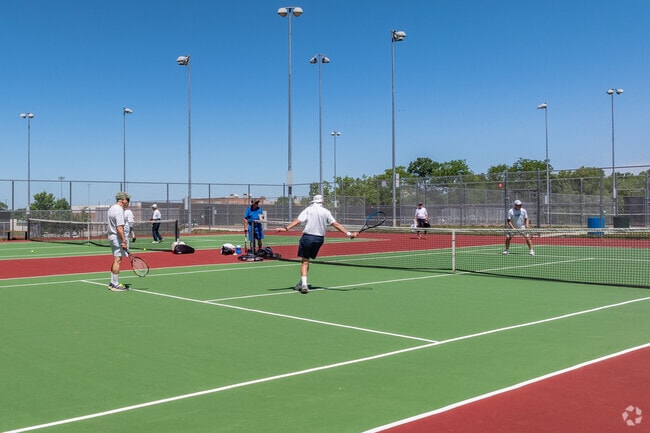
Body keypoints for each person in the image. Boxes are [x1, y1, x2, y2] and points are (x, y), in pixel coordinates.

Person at [276, 194, 357, 294]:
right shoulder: (326, 212)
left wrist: (286, 229)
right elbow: (336, 224)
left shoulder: (308, 209)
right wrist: (349, 234)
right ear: (322, 202)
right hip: (319, 240)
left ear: (313, 201)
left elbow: (298, 221)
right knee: (307, 261)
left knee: (304, 261)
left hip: (307, 238)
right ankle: (302, 282)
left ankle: (304, 284)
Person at [107, 191, 131, 291]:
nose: (128, 202)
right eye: (127, 199)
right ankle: (116, 284)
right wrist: (124, 241)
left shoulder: (111, 208)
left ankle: (112, 283)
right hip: (117, 238)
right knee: (118, 260)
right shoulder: (119, 210)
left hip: (112, 237)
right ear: (122, 200)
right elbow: (119, 228)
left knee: (116, 259)